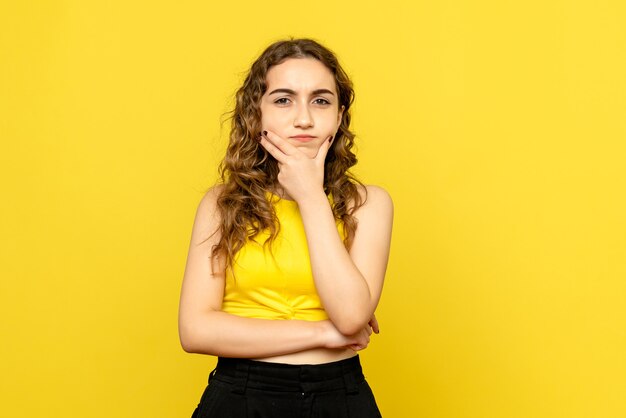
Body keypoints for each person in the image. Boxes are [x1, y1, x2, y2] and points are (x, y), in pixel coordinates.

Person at [178, 37, 394, 418]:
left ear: (339, 115)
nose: (304, 118)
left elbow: (350, 315)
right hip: (240, 396)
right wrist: (323, 335)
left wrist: (311, 195)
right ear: (256, 112)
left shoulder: (368, 203)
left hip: (339, 396)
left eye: (321, 100)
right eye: (283, 99)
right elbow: (196, 331)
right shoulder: (222, 204)